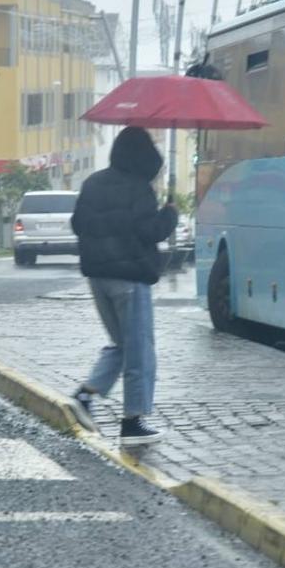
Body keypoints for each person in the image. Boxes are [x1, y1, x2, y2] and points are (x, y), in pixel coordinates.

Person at [68, 126, 178, 446]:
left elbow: (77, 224)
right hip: (131, 279)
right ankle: (133, 422)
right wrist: (169, 215)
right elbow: (150, 231)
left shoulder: (92, 183)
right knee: (139, 350)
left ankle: (85, 396)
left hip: (98, 279)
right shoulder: (139, 189)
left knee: (121, 345)